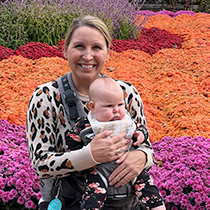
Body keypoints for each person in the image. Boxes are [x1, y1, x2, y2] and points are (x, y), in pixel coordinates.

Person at [26, 15, 166, 210]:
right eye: (79, 46)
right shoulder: (46, 97)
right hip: (70, 201)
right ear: (65, 50)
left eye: (97, 48)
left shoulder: (126, 93)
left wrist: (142, 157)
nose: (88, 56)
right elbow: (40, 164)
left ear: (108, 53)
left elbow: (146, 145)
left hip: (124, 201)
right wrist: (89, 155)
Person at [65, 76, 152, 209]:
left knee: (147, 186)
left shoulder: (126, 121)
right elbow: (72, 138)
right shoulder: (87, 124)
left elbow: (140, 128)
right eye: (109, 106)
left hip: (128, 164)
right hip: (98, 169)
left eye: (120, 104)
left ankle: (157, 206)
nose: (116, 110)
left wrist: (140, 135)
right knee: (94, 192)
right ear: (92, 107)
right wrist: (82, 153)